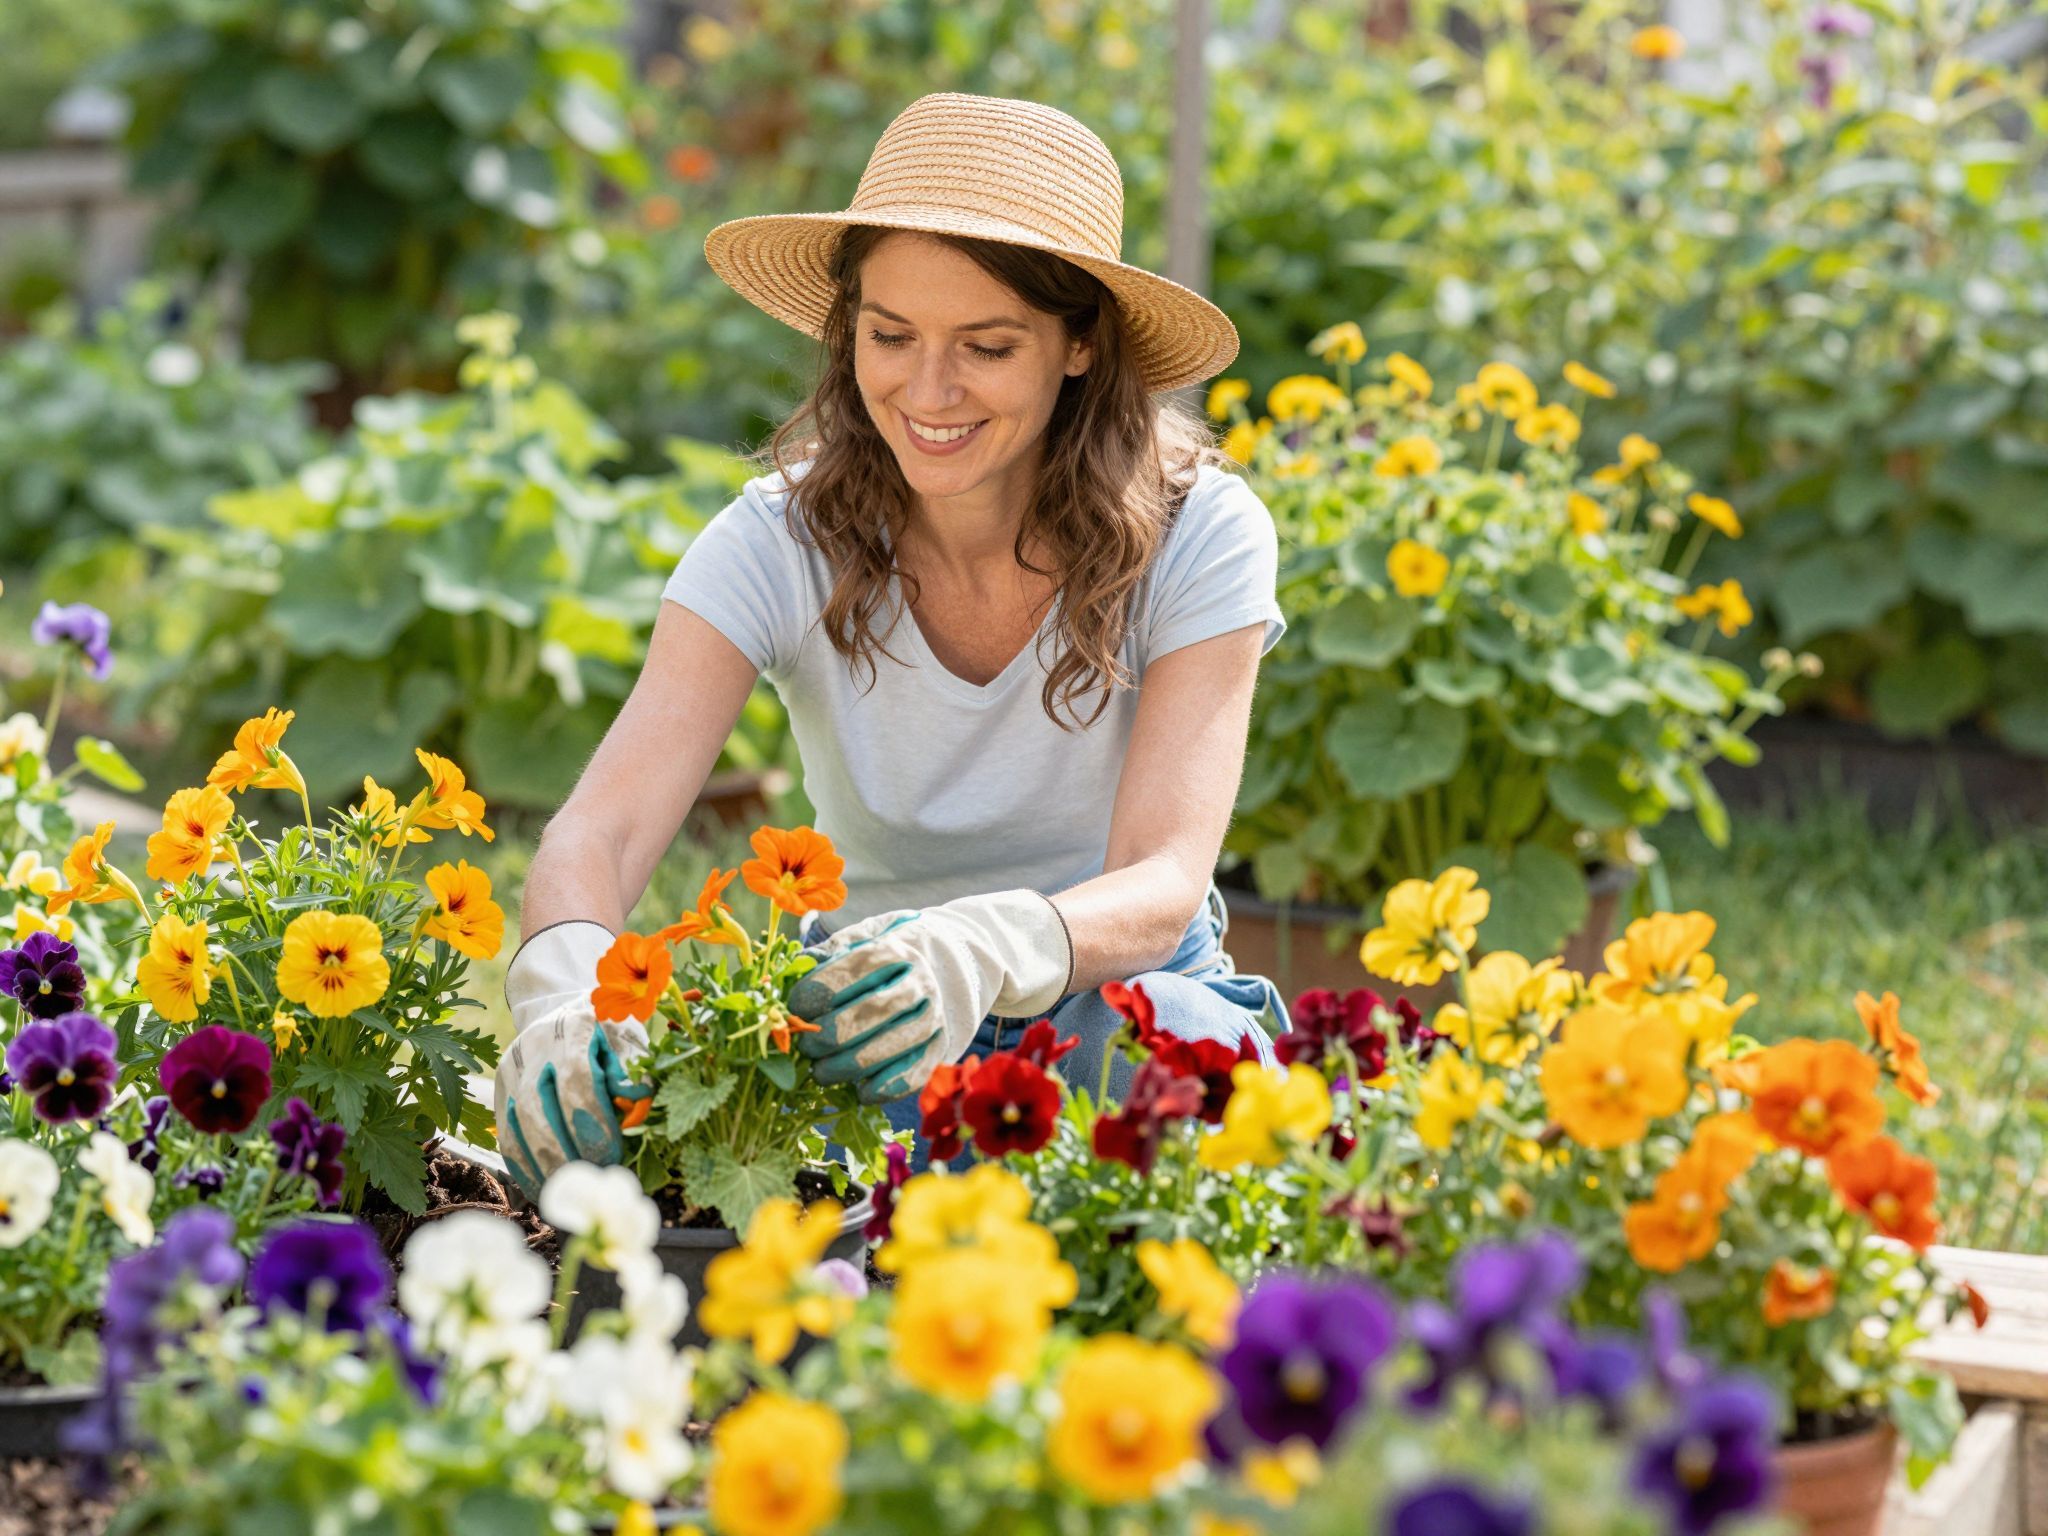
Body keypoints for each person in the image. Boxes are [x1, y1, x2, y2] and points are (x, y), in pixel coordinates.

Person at [495, 90, 1291, 1190]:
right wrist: (562, 984)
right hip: (864, 1019)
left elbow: (1163, 879)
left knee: (1182, 1098)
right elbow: (605, 830)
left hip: (1121, 998)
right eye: (889, 335)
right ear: (847, 330)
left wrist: (979, 947)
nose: (926, 390)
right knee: (670, 1157)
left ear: (1077, 347)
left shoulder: (1198, 532)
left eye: (986, 345)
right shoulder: (777, 537)